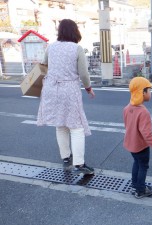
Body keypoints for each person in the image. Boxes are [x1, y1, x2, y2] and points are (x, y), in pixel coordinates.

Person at [37, 19, 95, 175]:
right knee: (76, 128)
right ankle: (79, 164)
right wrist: (88, 88)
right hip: (68, 90)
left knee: (60, 124)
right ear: (75, 31)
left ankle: (65, 158)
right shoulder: (77, 48)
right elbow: (83, 73)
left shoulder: (51, 47)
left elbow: (43, 65)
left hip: (51, 89)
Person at [123, 77, 152, 199]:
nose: (150, 93)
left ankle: (134, 185)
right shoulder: (143, 112)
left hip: (130, 144)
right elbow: (147, 134)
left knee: (137, 163)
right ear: (143, 92)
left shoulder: (127, 108)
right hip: (141, 146)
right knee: (143, 166)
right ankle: (141, 190)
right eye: (149, 90)